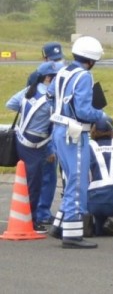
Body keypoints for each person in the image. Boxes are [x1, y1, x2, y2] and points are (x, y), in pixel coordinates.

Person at [47, 36, 105, 249]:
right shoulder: (84, 76)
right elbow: (83, 110)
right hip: (74, 132)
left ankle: (59, 224)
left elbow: (50, 95)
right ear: (92, 60)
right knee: (78, 181)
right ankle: (72, 233)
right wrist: (101, 115)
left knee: (71, 178)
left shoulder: (62, 72)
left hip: (58, 130)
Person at [5, 61, 63, 233]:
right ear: (49, 78)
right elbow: (55, 123)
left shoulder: (28, 91)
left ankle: (31, 216)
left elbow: (10, 104)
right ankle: (32, 219)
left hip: (22, 140)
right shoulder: (51, 99)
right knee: (34, 183)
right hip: (36, 144)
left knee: (31, 181)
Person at [29, 42, 66, 226]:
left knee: (42, 175)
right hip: (58, 130)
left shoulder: (39, 73)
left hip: (44, 132)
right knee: (51, 175)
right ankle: (42, 212)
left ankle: (39, 212)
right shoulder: (68, 71)